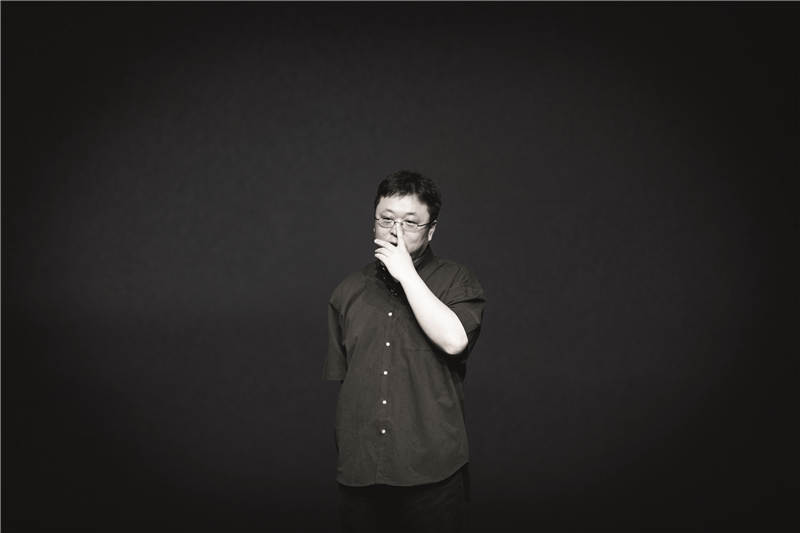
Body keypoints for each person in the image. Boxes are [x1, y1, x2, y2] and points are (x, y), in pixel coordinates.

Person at [323, 170, 486, 532]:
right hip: (361, 472)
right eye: (386, 219)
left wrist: (407, 274)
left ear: (431, 230)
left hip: (433, 471)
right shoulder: (347, 290)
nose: (395, 231)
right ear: (373, 222)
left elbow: (455, 340)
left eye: (410, 223)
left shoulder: (456, 280)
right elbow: (348, 382)